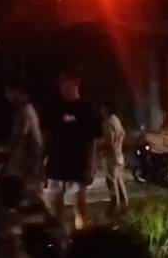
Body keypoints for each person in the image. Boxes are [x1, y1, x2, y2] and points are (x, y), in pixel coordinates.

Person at [45, 67, 102, 230]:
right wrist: (43, 161)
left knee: (80, 210)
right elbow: (46, 137)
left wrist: (90, 166)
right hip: (56, 165)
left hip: (76, 167)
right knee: (55, 211)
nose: (61, 86)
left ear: (76, 83)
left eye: (65, 81)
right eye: (60, 82)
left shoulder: (86, 109)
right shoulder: (54, 107)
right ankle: (59, 241)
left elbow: (93, 140)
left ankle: (82, 240)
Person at [3, 78, 44, 208]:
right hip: (20, 172)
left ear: (18, 91)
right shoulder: (24, 112)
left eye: (9, 92)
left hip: (21, 173)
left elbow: (34, 144)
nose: (7, 96)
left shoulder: (26, 113)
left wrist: (33, 173)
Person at [100, 100, 128, 211]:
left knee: (111, 182)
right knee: (119, 181)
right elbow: (123, 133)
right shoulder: (116, 119)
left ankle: (114, 206)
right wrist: (118, 144)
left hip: (111, 157)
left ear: (106, 109)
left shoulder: (107, 123)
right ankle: (124, 205)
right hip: (119, 155)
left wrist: (100, 146)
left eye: (102, 108)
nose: (101, 111)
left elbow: (109, 141)